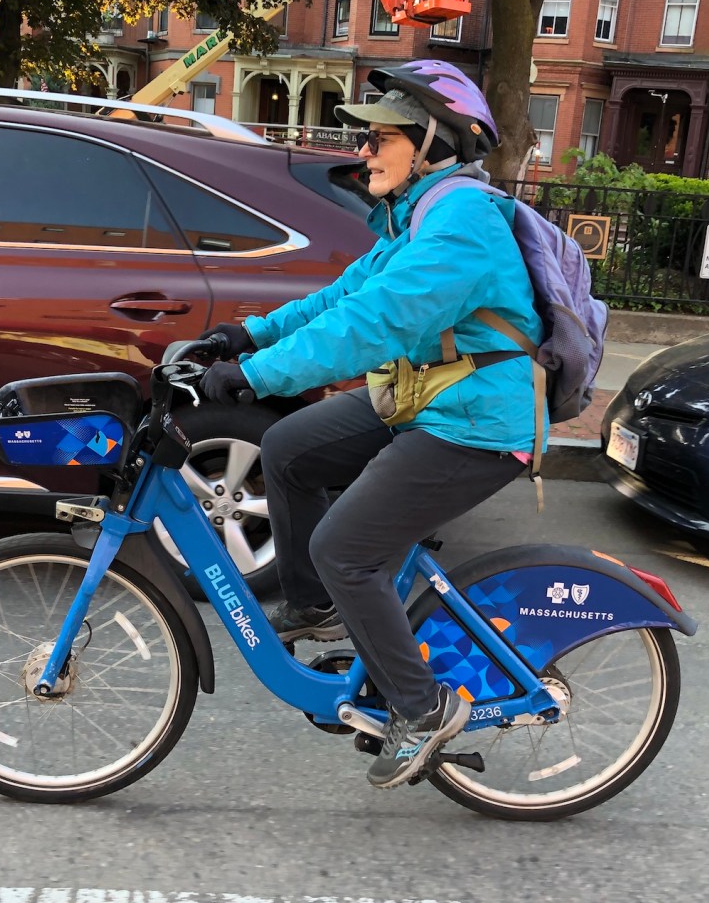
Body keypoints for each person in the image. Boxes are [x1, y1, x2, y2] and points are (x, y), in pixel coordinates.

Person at [197, 60, 544, 790]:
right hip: (424, 403)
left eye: (381, 137)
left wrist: (258, 377)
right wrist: (248, 336)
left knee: (345, 547)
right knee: (288, 447)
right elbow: (343, 297)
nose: (365, 152)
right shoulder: (413, 215)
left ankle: (422, 709)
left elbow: (379, 322)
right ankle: (318, 606)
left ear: (432, 141)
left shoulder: (462, 218)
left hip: (475, 425)